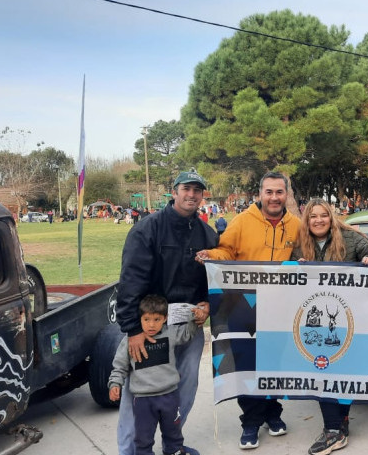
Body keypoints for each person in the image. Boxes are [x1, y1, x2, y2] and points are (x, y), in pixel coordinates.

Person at [196, 171, 300, 450]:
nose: (274, 197)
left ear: (286, 195)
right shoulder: (242, 221)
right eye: (269, 192)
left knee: (274, 364)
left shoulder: (296, 225)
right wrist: (211, 256)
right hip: (243, 306)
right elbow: (226, 251)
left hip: (280, 308)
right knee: (246, 363)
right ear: (260, 194)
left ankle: (272, 414)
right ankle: (251, 421)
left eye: (279, 192)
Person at [115, 170, 217, 455]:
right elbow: (130, 281)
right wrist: (133, 330)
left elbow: (212, 278)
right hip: (151, 326)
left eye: (198, 190)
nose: (192, 194)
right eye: (187, 188)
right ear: (174, 191)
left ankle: (172, 445)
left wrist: (207, 302)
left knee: (185, 386)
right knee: (139, 391)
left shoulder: (207, 233)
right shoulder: (147, 229)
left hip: (188, 325)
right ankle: (131, 450)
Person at [290, 198, 368, 455]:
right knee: (322, 368)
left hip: (351, 318)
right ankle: (333, 428)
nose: (318, 220)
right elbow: (287, 279)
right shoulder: (299, 246)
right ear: (306, 220)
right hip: (317, 320)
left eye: (323, 215)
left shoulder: (351, 238)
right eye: (313, 216)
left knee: (344, 370)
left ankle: (339, 424)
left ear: (331, 217)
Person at [108, 294, 206, 455]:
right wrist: (114, 384)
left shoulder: (171, 333)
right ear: (140, 319)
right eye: (146, 320)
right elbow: (119, 366)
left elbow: (188, 333)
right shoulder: (131, 341)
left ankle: (174, 451)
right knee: (143, 437)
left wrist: (197, 317)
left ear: (165, 318)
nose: (151, 325)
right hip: (143, 401)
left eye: (156, 319)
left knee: (173, 433)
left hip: (169, 397)